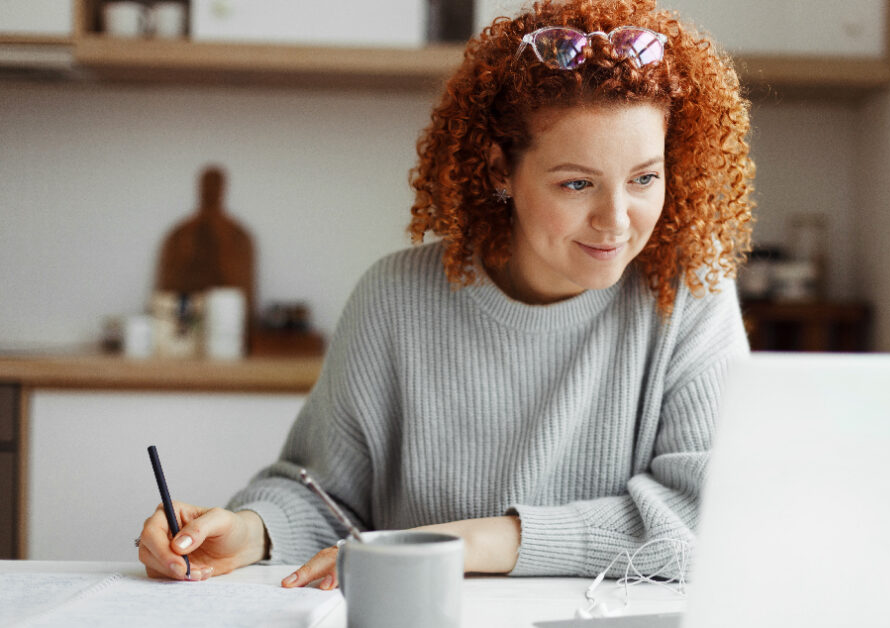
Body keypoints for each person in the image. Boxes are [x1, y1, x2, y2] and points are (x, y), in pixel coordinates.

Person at [136, 0, 755, 589]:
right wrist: (252, 530)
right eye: (576, 184)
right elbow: (324, 494)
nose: (617, 219)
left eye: (645, 177)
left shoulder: (691, 293)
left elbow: (716, 515)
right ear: (497, 171)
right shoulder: (395, 298)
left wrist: (478, 543)